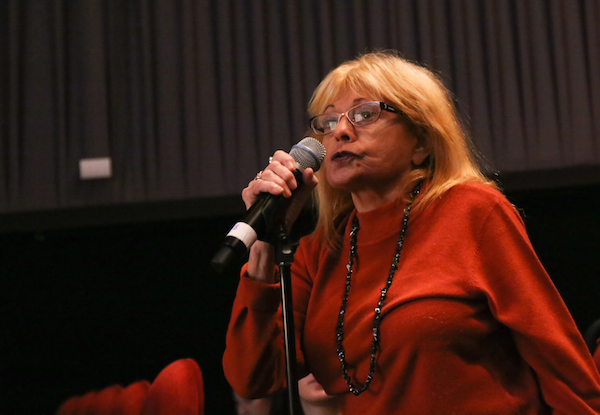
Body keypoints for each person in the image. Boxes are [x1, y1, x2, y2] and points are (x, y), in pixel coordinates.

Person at [222, 50, 600, 414]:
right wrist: (267, 242)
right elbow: (253, 378)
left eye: (364, 114)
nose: (340, 132)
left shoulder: (472, 212)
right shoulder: (319, 251)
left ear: (420, 142)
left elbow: (556, 357)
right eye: (328, 122)